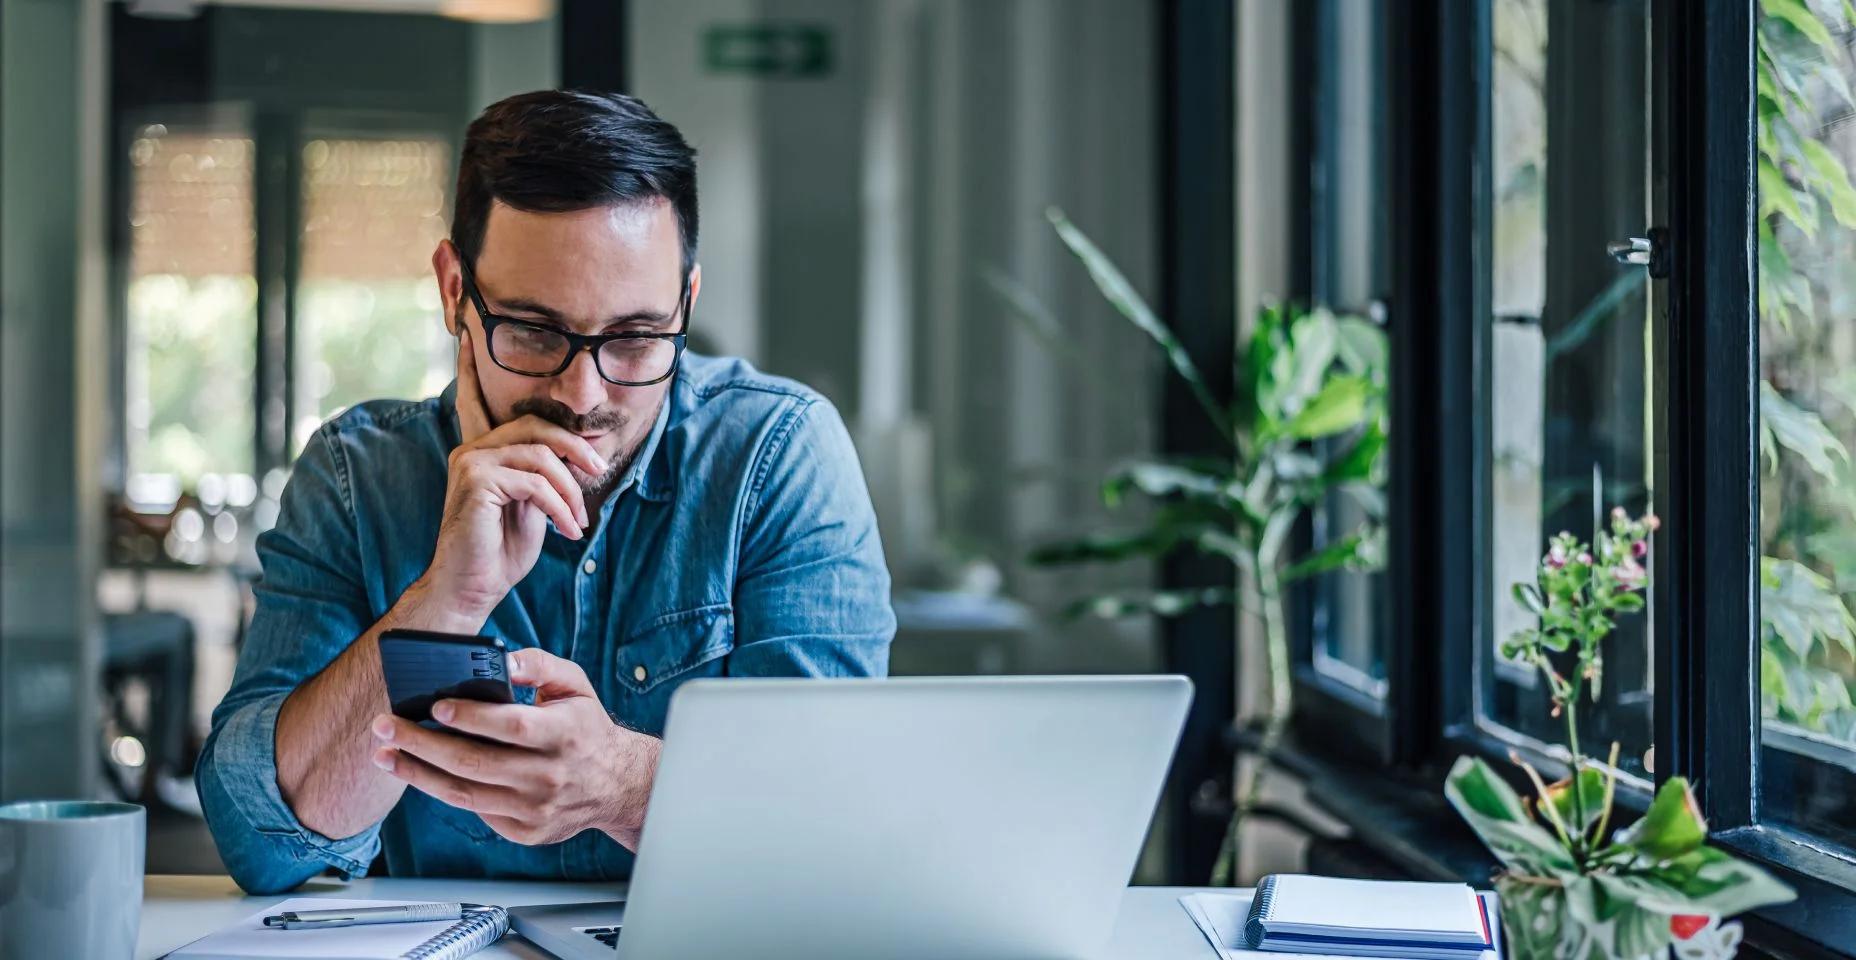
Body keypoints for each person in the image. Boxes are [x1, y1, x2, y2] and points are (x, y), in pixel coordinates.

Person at [197, 90, 896, 895]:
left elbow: (836, 825)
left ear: (686, 304)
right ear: (455, 290)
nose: (581, 392)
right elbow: (262, 842)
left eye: (635, 338)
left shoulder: (776, 457)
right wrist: (445, 603)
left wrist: (627, 786)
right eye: (533, 331)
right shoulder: (360, 477)